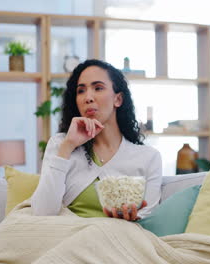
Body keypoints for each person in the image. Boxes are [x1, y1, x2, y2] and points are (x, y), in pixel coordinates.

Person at [31, 59, 162, 221]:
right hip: (70, 239)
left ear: (118, 99)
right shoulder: (61, 144)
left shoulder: (148, 157)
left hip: (121, 240)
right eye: (81, 91)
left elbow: (150, 219)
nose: (88, 97)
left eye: (98, 88)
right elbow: (42, 212)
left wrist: (131, 219)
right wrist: (68, 146)